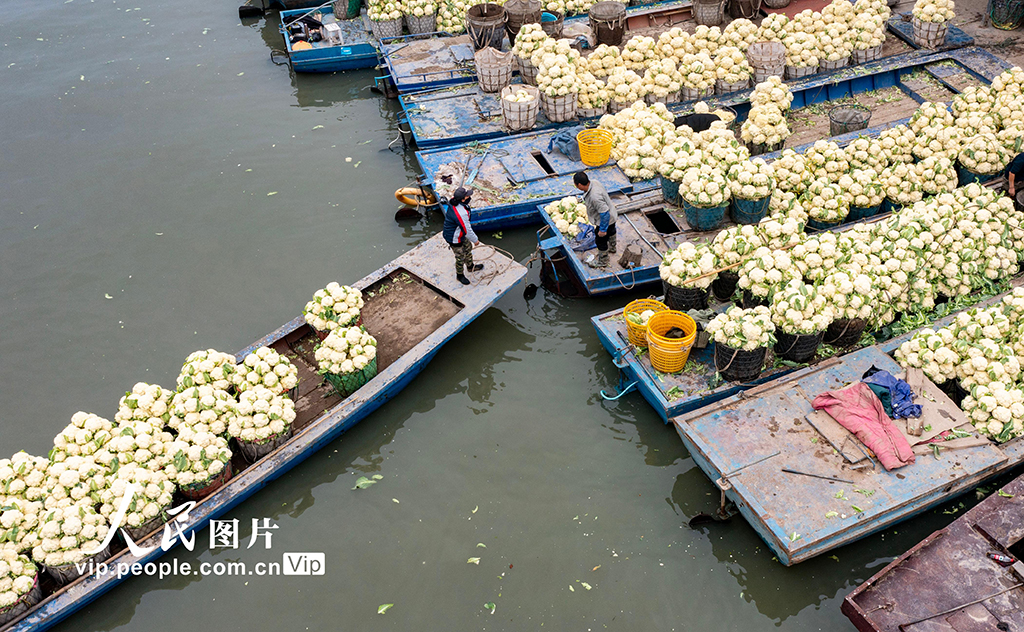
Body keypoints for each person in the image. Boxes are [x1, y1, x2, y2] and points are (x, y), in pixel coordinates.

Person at [574, 171, 617, 268]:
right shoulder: (594, 182)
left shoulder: (594, 197)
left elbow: (604, 213)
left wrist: (602, 230)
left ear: (580, 184)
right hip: (612, 215)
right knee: (612, 231)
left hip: (606, 219)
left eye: (576, 185)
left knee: (600, 241)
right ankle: (613, 247)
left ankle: (603, 262)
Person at [442, 187, 483, 285]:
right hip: (453, 237)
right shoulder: (461, 213)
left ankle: (470, 266)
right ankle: (459, 275)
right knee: (460, 256)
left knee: (468, 247)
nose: (470, 197)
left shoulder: (455, 201)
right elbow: (467, 230)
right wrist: (476, 240)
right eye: (468, 196)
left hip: (460, 233)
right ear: (463, 199)